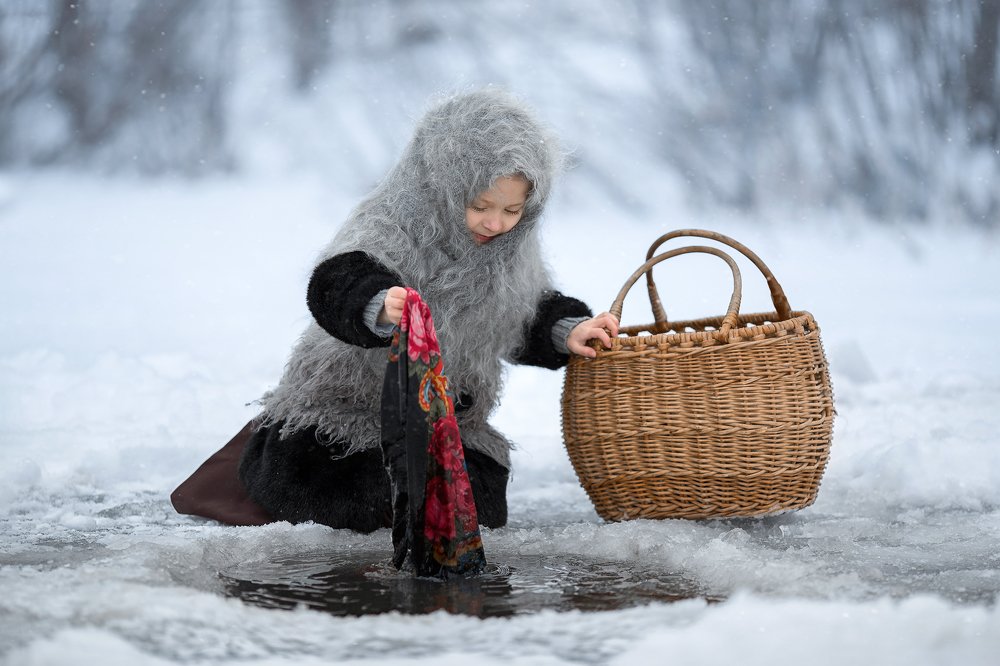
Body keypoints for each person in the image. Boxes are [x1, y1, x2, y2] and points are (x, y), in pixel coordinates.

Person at [174, 88, 618, 532]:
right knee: (361, 498)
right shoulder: (392, 221)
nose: (495, 223)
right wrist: (378, 305)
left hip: (446, 426)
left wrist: (566, 330)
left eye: (512, 209)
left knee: (468, 511)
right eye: (479, 206)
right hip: (345, 417)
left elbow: (527, 313)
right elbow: (337, 280)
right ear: (444, 187)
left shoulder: (510, 250)